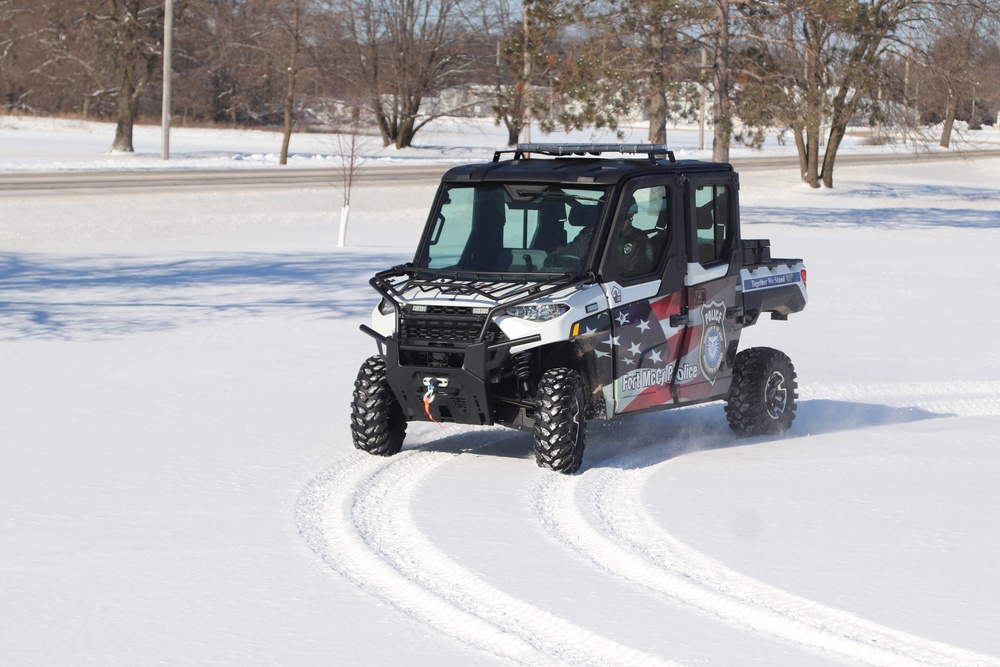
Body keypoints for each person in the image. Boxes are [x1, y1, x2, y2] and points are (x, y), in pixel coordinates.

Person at [617, 196, 655, 277]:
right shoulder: (590, 235)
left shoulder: (639, 241)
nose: (620, 222)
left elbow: (635, 278)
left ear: (631, 217)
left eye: (624, 217)